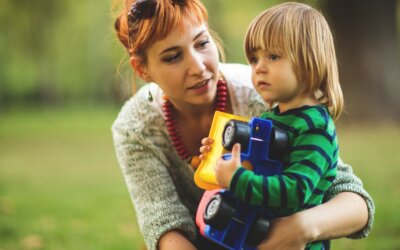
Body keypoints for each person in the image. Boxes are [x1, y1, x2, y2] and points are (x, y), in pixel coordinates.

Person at [111, 0, 374, 249]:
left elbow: (352, 200)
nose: (198, 67)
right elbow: (162, 220)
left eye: (202, 43)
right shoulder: (135, 127)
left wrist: (301, 227)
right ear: (142, 70)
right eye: (172, 57)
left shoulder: (266, 96)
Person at [199, 2, 347, 249]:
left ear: (310, 60)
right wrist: (219, 161)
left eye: (273, 56)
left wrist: (237, 179)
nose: (259, 68)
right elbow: (257, 168)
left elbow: (295, 192)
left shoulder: (315, 128)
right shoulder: (271, 118)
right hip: (259, 236)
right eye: (254, 59)